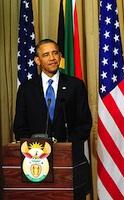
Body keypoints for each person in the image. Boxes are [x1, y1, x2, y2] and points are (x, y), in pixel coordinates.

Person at [13, 39, 92, 200]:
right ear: (37, 60)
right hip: (36, 162)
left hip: (70, 159)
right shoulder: (26, 89)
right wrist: (36, 151)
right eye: (46, 54)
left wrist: (66, 147)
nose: (52, 58)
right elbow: (20, 126)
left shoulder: (75, 85)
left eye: (55, 53)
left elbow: (84, 123)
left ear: (60, 56)